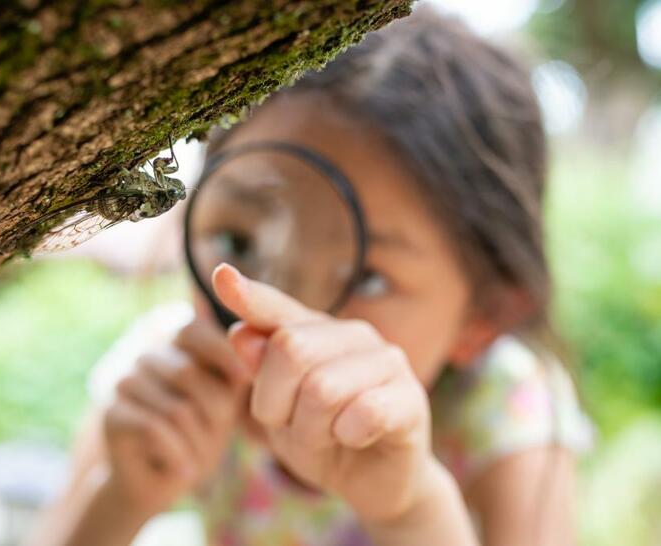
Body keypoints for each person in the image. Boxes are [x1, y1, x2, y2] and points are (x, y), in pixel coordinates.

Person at [30, 8, 592, 546]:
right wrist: (124, 495)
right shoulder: (164, 373)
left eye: (368, 279)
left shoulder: (504, 407)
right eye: (238, 243)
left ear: (484, 317)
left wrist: (411, 512)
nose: (278, 319)